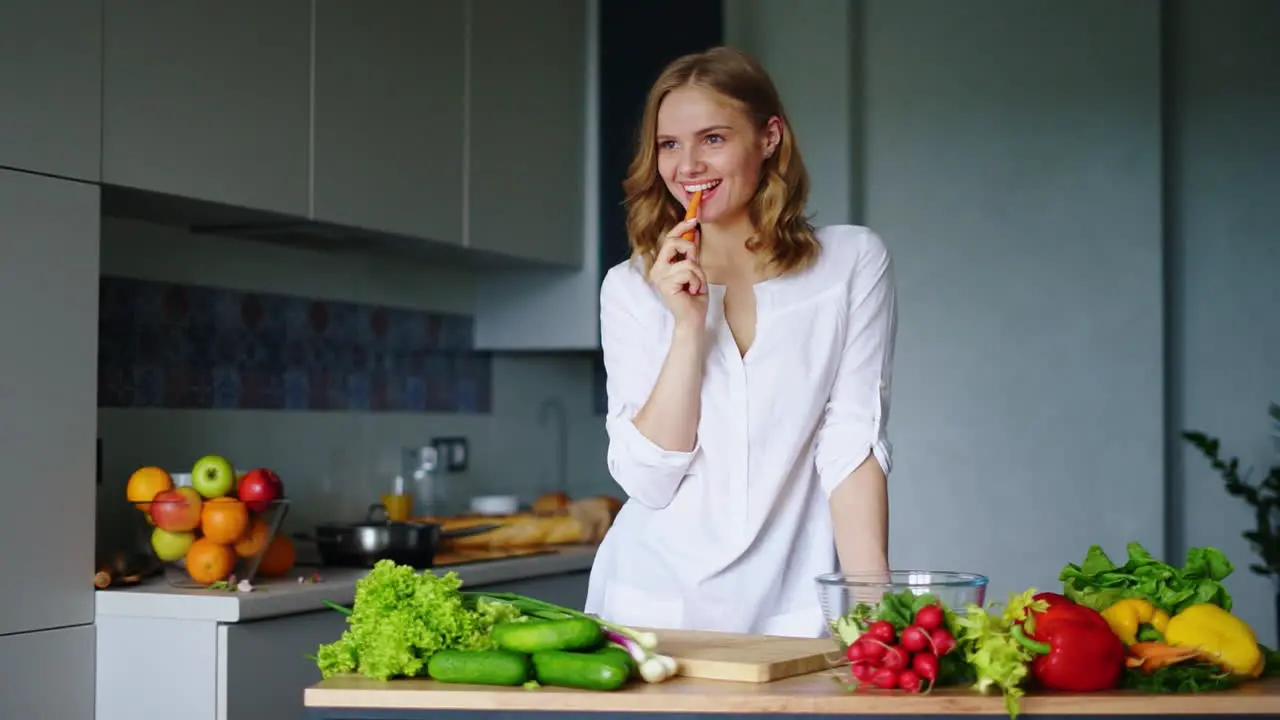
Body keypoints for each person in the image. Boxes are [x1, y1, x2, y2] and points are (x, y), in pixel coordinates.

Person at [584, 46, 898, 639]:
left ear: (769, 136)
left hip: (793, 606)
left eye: (713, 139)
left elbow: (851, 443)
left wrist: (877, 616)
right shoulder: (630, 288)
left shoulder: (851, 262)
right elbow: (649, 480)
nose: (687, 165)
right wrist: (686, 325)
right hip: (651, 609)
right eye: (670, 144)